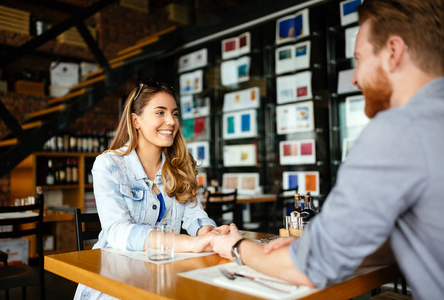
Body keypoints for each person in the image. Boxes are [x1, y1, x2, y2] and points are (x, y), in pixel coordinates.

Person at [211, 1, 444, 299]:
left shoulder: (400, 128)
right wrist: (312, 246)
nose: (356, 77)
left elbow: (308, 270)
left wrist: (236, 246)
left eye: (360, 59)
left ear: (393, 52)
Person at [74, 80, 229, 300]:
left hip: (166, 275)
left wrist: (209, 234)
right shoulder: (108, 164)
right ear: (136, 121)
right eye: (160, 112)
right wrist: (191, 244)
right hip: (115, 281)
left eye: (174, 114)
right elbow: (117, 231)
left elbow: (195, 216)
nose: (171, 121)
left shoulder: (182, 165)